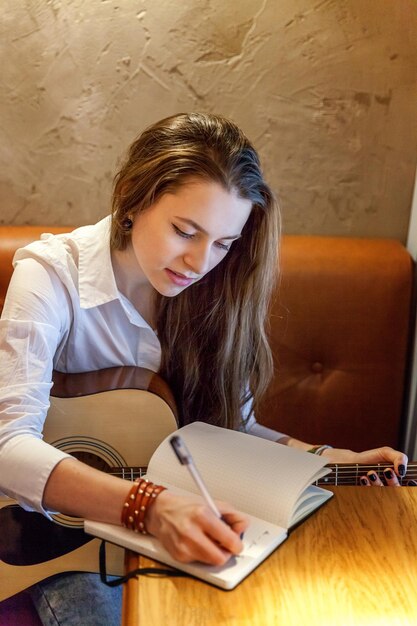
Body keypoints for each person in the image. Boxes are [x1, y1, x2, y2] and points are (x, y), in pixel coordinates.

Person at [0, 112, 409, 625]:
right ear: (133, 196)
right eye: (184, 231)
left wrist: (328, 458)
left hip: (168, 525)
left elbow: (236, 430)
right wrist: (148, 506)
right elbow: (6, 445)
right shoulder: (51, 276)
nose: (199, 262)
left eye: (222, 243)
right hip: (49, 536)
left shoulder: (218, 292)